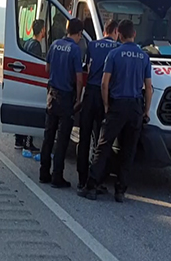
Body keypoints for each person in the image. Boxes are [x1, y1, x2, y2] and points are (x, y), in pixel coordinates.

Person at [78, 19, 152, 202]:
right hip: (135, 106)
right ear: (134, 34)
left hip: (117, 105)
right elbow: (148, 88)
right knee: (128, 150)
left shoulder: (114, 54)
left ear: (119, 33)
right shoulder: (144, 57)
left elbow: (104, 84)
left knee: (103, 146)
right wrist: (146, 112)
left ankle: (92, 186)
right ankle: (120, 191)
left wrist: (106, 105)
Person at [39, 18, 84, 188]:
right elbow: (79, 79)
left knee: (48, 136)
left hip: (52, 94)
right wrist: (78, 99)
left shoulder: (55, 44)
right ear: (79, 33)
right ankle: (57, 176)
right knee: (62, 139)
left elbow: (47, 69)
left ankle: (44, 173)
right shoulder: (75, 50)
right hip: (66, 97)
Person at [76, 19, 120, 192]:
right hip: (105, 96)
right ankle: (99, 180)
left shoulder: (92, 44)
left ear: (104, 30)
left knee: (85, 137)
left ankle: (81, 178)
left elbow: (86, 67)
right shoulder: (117, 49)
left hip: (90, 94)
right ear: (116, 31)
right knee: (104, 140)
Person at [15, 19, 46, 153]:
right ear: (42, 30)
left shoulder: (28, 42)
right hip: (31, 82)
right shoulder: (36, 46)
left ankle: (19, 139)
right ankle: (28, 142)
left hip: (23, 82)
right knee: (31, 115)